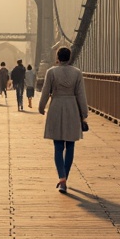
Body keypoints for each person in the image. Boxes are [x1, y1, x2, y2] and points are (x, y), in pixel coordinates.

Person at [40, 46, 87, 194]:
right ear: (70, 57)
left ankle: (62, 178)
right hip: (72, 108)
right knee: (70, 145)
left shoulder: (51, 72)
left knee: (58, 146)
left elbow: (46, 91)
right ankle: (65, 177)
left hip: (56, 107)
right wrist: (84, 112)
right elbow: (81, 94)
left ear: (58, 58)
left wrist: (41, 107)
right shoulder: (77, 73)